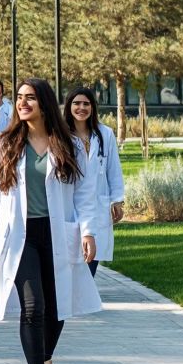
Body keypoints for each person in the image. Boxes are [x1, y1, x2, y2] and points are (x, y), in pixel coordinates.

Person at [0, 79, 101, 364]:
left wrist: (88, 232)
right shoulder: (4, 143)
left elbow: (85, 193)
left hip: (58, 232)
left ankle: (45, 356)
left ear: (44, 104)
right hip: (20, 236)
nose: (22, 103)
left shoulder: (69, 144)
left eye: (30, 98)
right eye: (19, 98)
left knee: (58, 304)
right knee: (33, 306)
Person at [63, 87, 124, 277]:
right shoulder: (61, 134)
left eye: (86, 104)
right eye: (76, 103)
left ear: (93, 107)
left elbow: (113, 169)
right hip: (69, 206)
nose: (81, 108)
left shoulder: (105, 134)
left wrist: (117, 200)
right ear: (69, 107)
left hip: (97, 206)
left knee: (90, 261)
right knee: (68, 262)